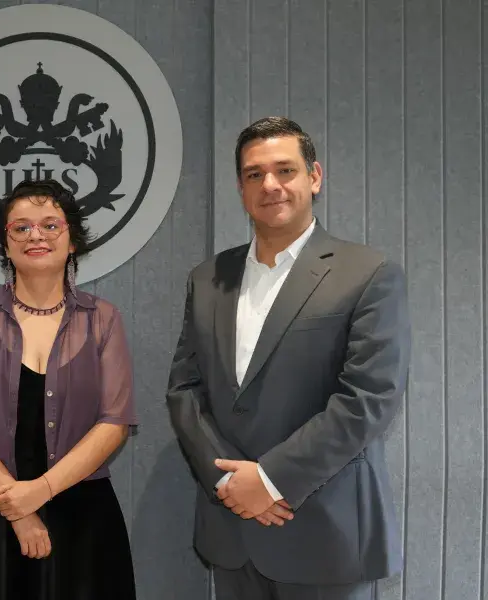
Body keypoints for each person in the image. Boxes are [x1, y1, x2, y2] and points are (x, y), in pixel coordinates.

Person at [167, 117, 411, 600]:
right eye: (254, 174)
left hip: (326, 530)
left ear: (314, 177)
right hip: (231, 527)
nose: (270, 185)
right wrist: (230, 484)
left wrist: (272, 478)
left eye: (285, 170)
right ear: (240, 187)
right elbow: (185, 391)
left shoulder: (369, 273)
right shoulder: (208, 277)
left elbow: (367, 399)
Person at [0, 179, 137, 600]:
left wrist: (39, 493)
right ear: (5, 245)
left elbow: (114, 423)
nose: (36, 236)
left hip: (83, 519)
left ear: (72, 240)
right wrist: (18, 510)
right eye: (21, 228)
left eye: (49, 225)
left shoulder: (102, 319)